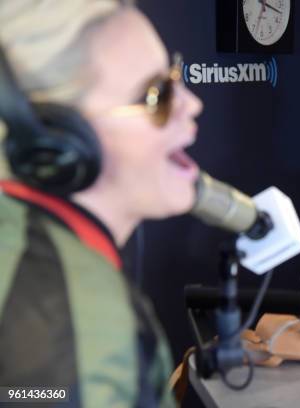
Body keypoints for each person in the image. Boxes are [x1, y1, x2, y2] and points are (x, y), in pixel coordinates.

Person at [0, 1, 202, 406]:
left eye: (174, 78)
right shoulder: (73, 324)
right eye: (157, 95)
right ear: (58, 138)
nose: (192, 104)